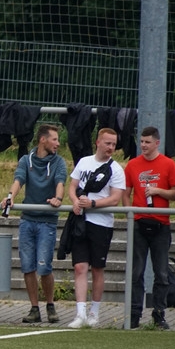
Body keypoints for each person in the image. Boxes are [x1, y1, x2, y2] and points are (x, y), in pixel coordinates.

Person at [0, 124, 67, 324]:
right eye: (54, 139)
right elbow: (19, 180)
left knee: (44, 266)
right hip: (28, 220)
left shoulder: (59, 162)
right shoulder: (26, 160)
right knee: (28, 266)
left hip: (46, 221)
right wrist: (10, 197)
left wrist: (58, 198)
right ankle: (34, 307)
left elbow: (60, 182)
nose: (58, 143)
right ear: (42, 140)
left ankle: (50, 305)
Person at [66, 128, 126, 328]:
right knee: (79, 267)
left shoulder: (116, 169)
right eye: (108, 143)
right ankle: (80, 313)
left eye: (114, 144)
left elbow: (115, 198)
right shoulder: (84, 162)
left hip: (101, 224)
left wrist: (92, 204)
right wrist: (75, 201)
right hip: (81, 222)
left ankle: (94, 313)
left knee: (97, 269)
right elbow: (72, 186)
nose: (111, 148)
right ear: (98, 142)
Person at [123, 126, 175, 329]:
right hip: (139, 223)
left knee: (161, 272)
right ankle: (134, 314)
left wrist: (158, 191)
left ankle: (159, 314)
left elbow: (174, 193)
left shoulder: (169, 164)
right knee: (136, 271)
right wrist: (129, 213)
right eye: (142, 141)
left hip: (161, 224)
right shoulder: (133, 165)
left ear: (157, 143)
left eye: (147, 142)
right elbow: (126, 192)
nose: (143, 145)